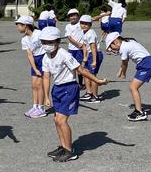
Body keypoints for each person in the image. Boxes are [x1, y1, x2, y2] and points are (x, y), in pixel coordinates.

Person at [39, 26, 108, 162]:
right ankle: (63, 147)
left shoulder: (64, 54)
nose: (46, 45)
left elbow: (81, 70)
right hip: (57, 89)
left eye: (50, 42)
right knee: (56, 119)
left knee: (61, 120)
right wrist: (46, 96)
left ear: (58, 42)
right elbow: (46, 77)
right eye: (44, 42)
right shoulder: (46, 57)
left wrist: (97, 81)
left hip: (69, 88)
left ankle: (70, 151)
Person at [105, 31, 151, 121]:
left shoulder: (123, 48)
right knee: (133, 87)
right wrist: (120, 70)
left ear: (115, 42)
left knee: (133, 88)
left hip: (146, 65)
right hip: (146, 63)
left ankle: (139, 112)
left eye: (111, 46)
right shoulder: (128, 42)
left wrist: (123, 73)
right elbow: (125, 60)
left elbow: (125, 63)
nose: (111, 49)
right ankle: (139, 109)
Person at [15, 15, 47, 119]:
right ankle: (35, 106)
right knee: (34, 85)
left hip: (43, 59)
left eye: (19, 25)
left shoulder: (39, 33)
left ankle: (41, 108)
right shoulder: (24, 39)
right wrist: (34, 68)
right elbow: (29, 54)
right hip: (35, 61)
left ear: (25, 25)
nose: (17, 27)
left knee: (40, 85)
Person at [80, 15, 104, 102]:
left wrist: (94, 60)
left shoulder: (90, 33)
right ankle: (89, 92)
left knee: (93, 76)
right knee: (85, 73)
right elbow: (84, 46)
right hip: (90, 55)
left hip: (95, 54)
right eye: (82, 23)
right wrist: (85, 57)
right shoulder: (84, 32)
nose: (84, 25)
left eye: (87, 24)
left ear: (90, 25)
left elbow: (93, 47)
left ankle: (95, 96)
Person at [63, 8, 87, 87]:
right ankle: (72, 82)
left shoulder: (81, 24)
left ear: (78, 16)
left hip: (79, 50)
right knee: (71, 67)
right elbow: (69, 38)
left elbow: (92, 19)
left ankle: (80, 84)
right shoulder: (68, 26)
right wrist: (78, 44)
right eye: (71, 16)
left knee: (79, 67)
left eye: (74, 15)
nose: (73, 17)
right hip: (72, 49)